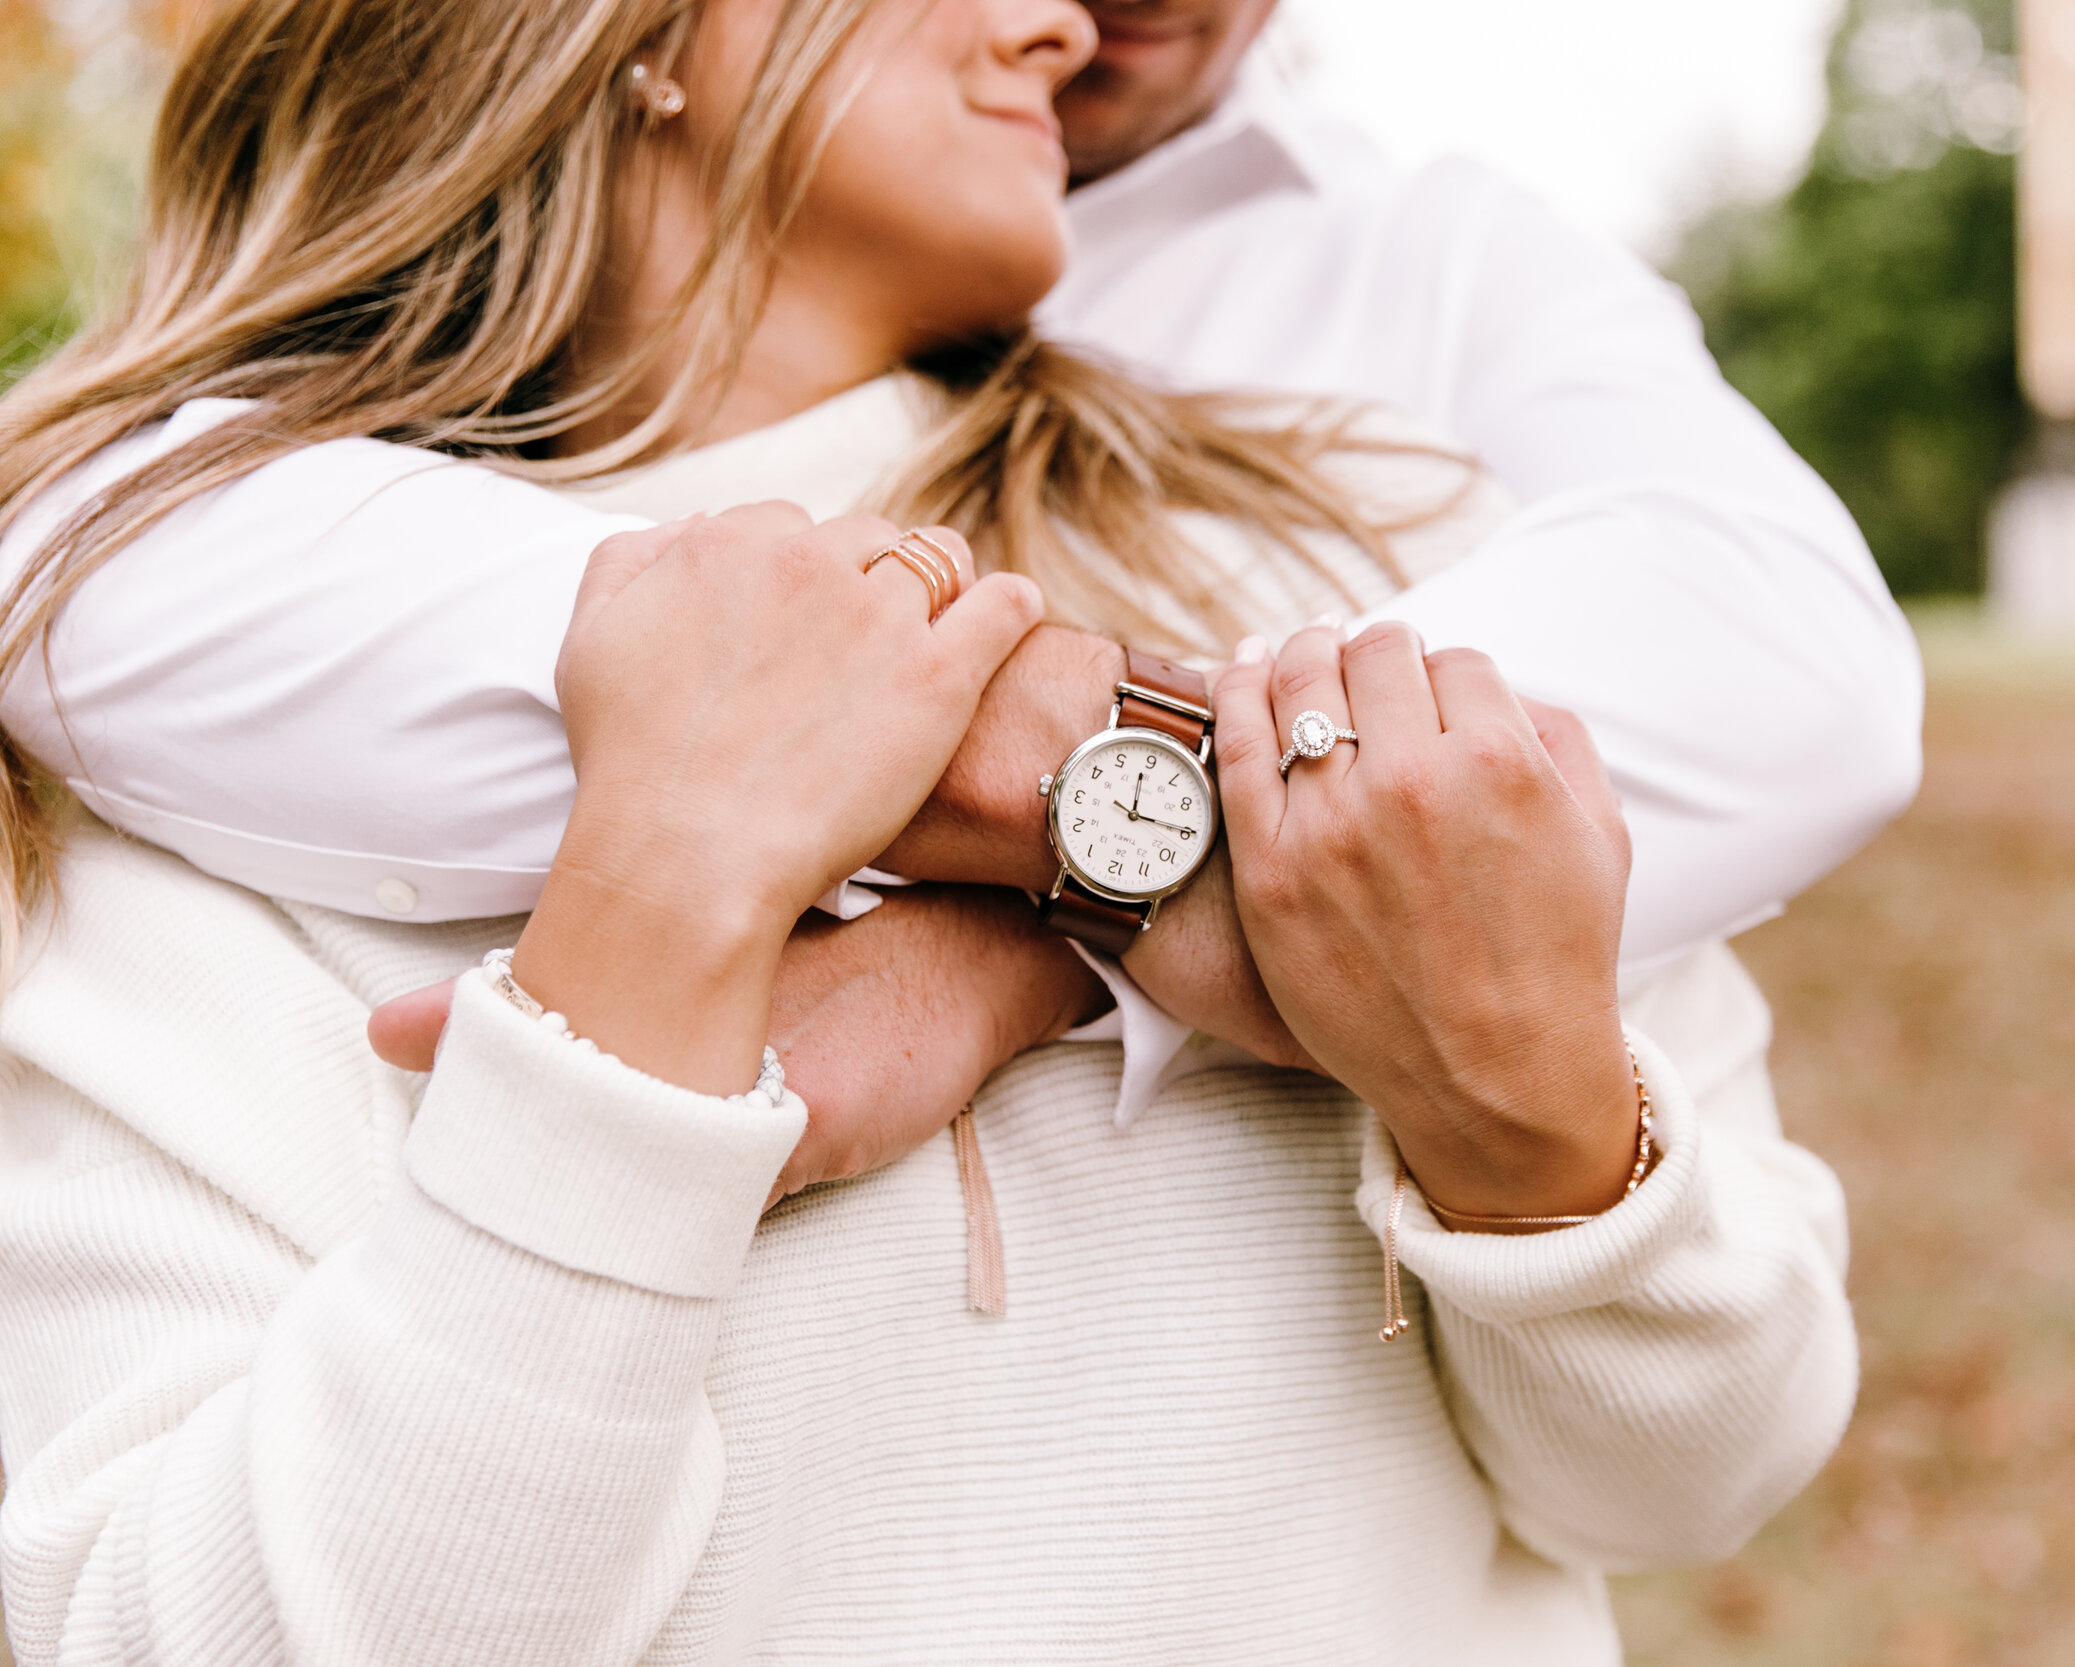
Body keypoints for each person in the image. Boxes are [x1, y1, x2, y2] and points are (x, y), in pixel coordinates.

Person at [0, 2, 1857, 1665]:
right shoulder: (174, 736)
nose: (1066, 27)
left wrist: (1511, 1119)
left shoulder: (1380, 542)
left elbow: (1700, 1477)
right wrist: (639, 987)